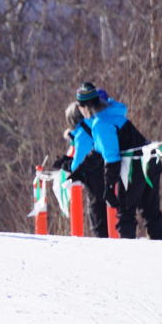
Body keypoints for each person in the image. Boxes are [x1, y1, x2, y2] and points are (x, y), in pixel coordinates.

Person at [75, 82, 162, 239]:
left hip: (134, 168)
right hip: (150, 161)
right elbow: (98, 152)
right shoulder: (112, 113)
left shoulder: (100, 123)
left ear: (84, 107)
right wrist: (78, 169)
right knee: (151, 213)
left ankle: (126, 255)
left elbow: (112, 159)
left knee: (125, 214)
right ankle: (161, 247)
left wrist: (109, 186)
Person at [52, 100, 108, 237]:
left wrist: (64, 163)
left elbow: (77, 164)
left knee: (99, 221)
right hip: (107, 175)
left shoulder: (83, 133)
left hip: (96, 180)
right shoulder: (96, 125)